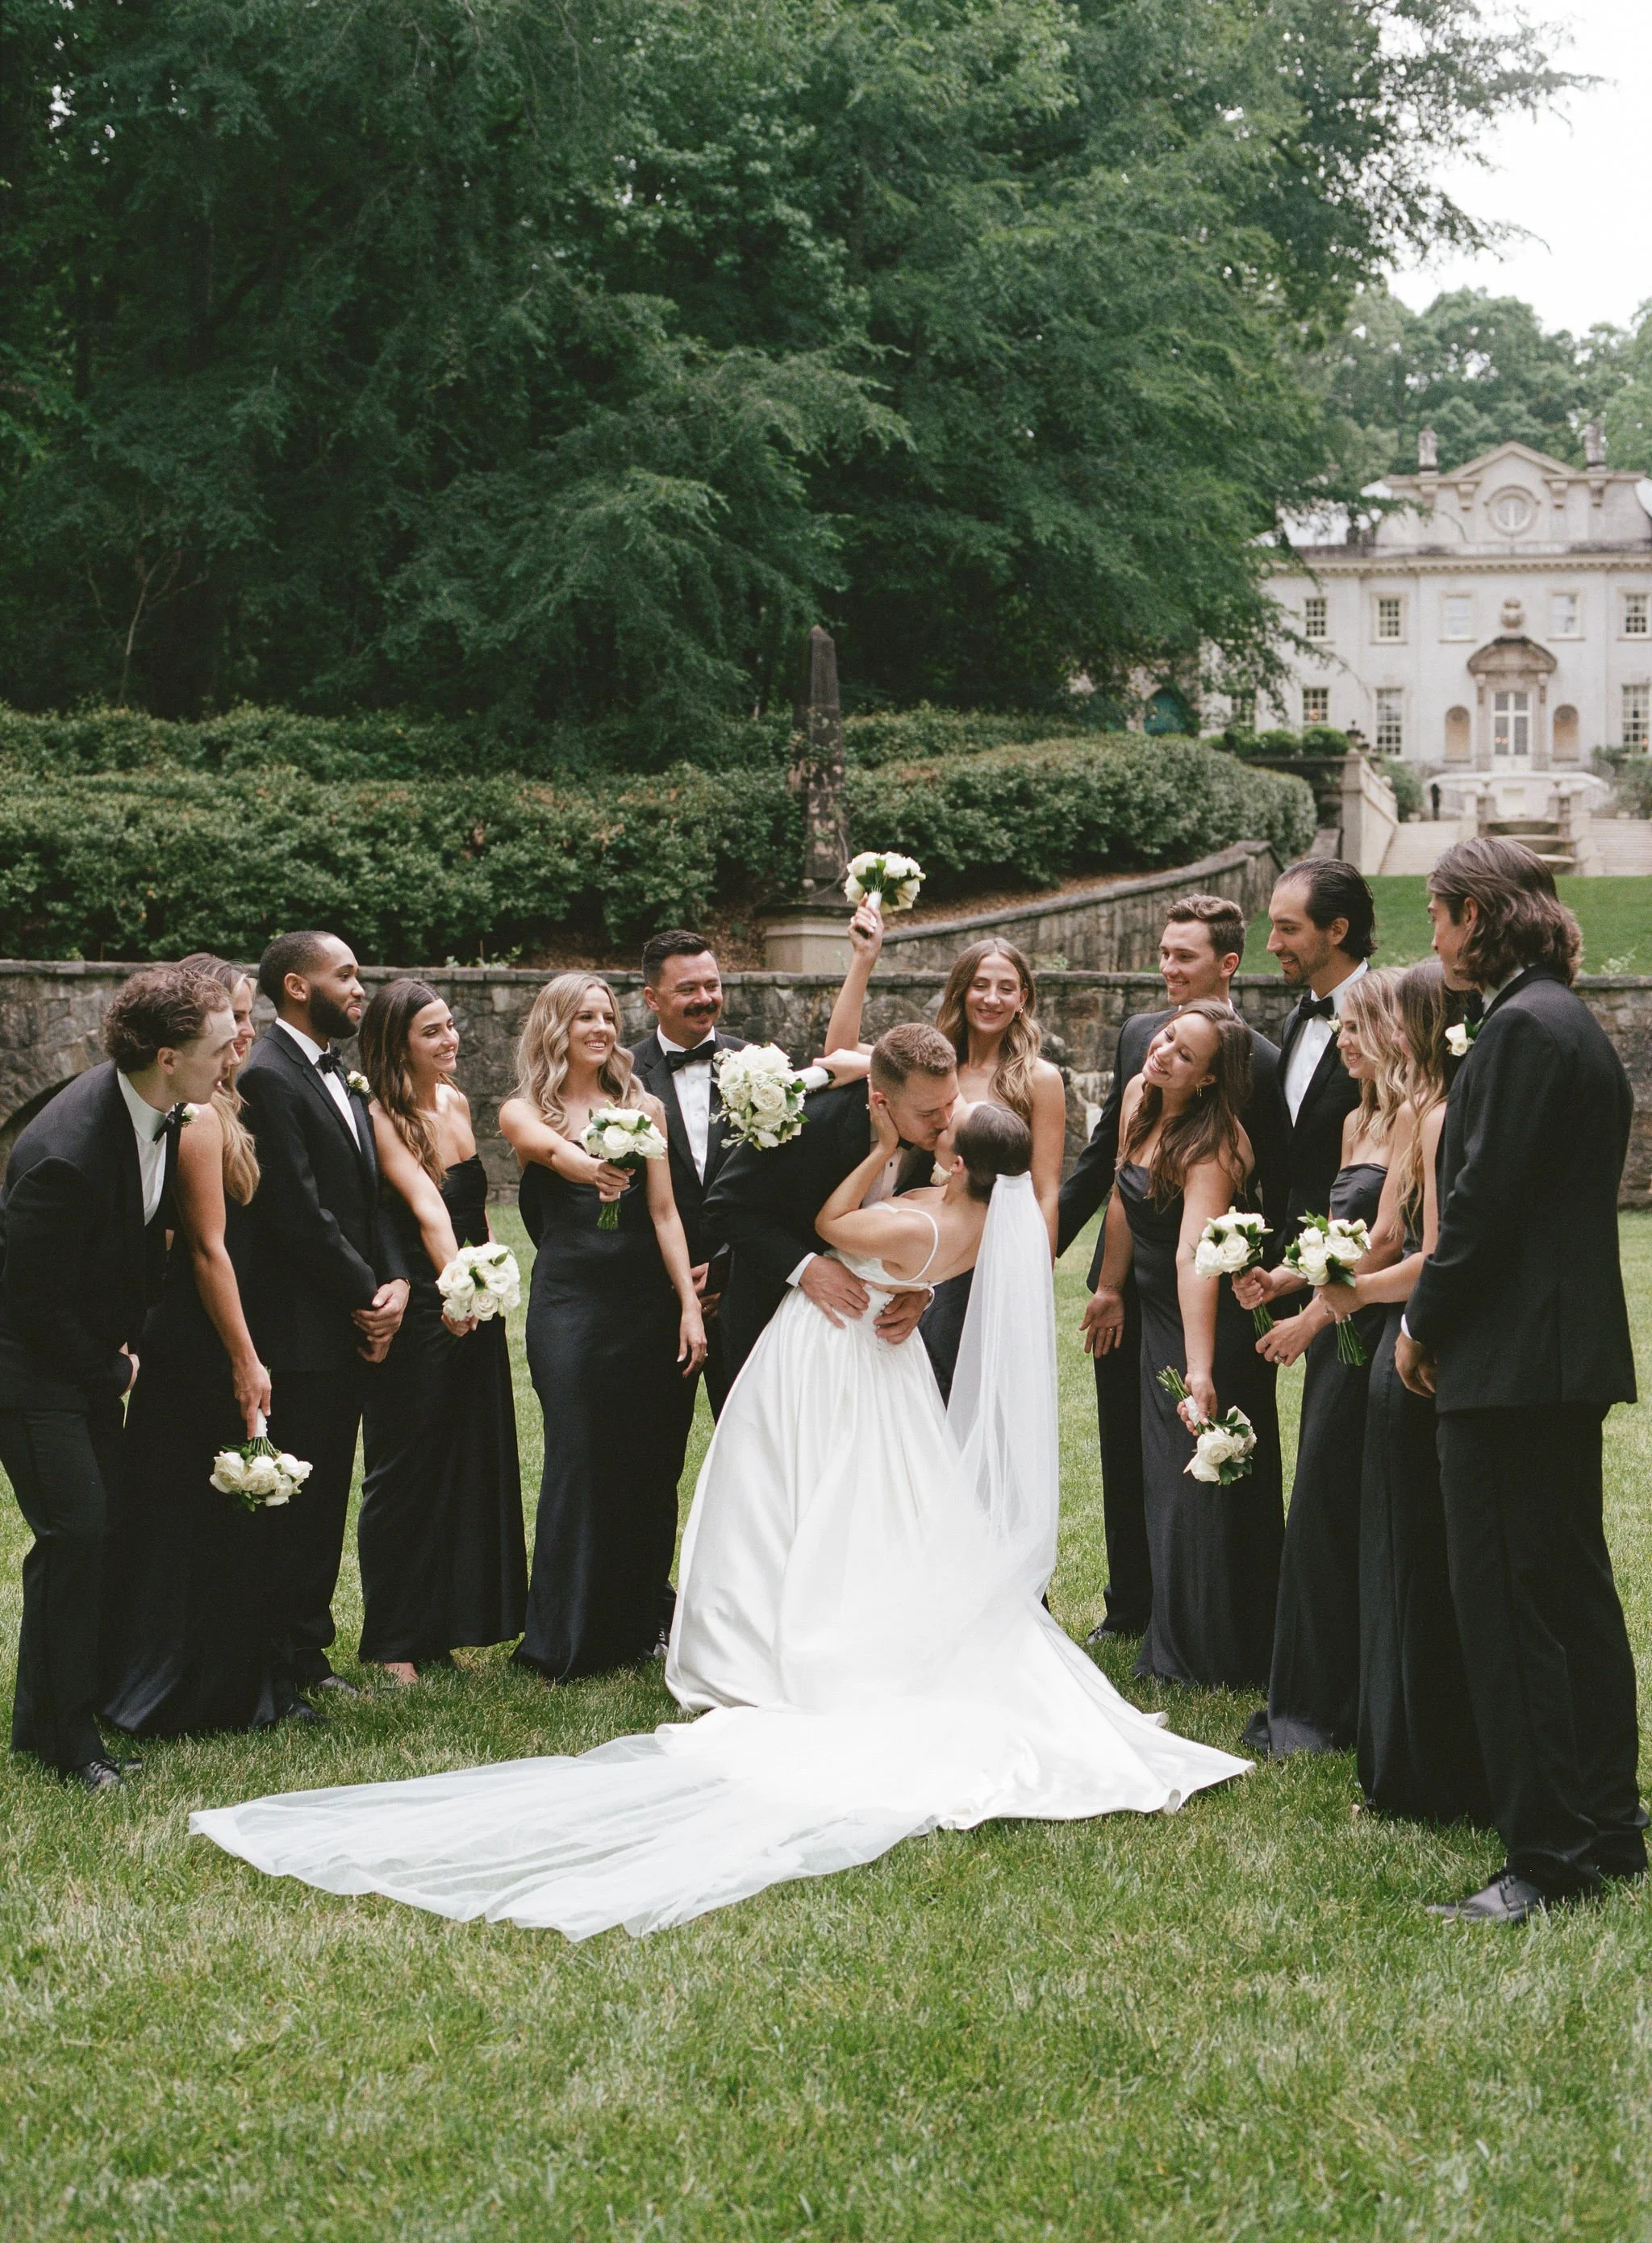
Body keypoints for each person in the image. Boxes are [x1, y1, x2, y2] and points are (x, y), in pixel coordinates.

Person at [191, 1071, 1249, 1940]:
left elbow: (831, 1223)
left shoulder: (918, 1208)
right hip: (878, 1368)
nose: (937, 1128)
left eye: (947, 1127)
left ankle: (787, 1637)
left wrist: (884, 1151)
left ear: (961, 1157)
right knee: (869, 1510)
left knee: (819, 1503)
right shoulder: (970, 1220)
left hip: (838, 1358)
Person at [1399, 838, 1643, 1923]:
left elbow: (1482, 1207)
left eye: (1437, 913)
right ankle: (1609, 1828)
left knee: (1509, 1607)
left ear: (1474, 914)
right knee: (1572, 1597)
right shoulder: (1568, 1022)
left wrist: (1421, 1323)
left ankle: (1547, 1856)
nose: (1433, 933)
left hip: (1508, 1365)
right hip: (1561, 1357)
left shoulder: (1516, 1031)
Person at [0, 966, 237, 1790]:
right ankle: (68, 1746)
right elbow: (26, 1300)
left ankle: (44, 1719)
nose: (233, 1056)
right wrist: (112, 1367)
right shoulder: (65, 1152)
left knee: (89, 1538)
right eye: (220, 1045)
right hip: (29, 1370)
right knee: (78, 1533)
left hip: (85, 1361)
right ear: (168, 1057)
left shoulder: (161, 1110)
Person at [1057, 895, 1290, 1641]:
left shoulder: (1264, 1061)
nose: (1168, 968)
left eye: (1183, 956)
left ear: (1227, 964)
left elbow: (1273, 1183)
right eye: (1163, 953)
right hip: (1131, 1282)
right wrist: (1086, 1273)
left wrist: (1271, 1278)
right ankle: (1132, 1605)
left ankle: (1227, 1615)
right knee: (1130, 1448)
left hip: (1211, 1283)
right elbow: (1109, 1165)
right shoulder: (1139, 1039)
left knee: (1207, 1448)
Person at [100, 957, 319, 1738]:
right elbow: (205, 1250)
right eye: (236, 1018)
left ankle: (222, 1675)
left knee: (219, 1523)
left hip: (218, 1330)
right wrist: (245, 1358)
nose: (247, 1033)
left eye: (250, 1016)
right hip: (197, 1343)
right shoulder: (195, 1120)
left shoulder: (223, 1104)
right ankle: (173, 1686)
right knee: (187, 1517)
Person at [501, 974, 707, 1680]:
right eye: (584, 1016)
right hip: (572, 1309)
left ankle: (636, 1623)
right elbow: (554, 1154)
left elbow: (664, 1213)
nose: (600, 1028)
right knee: (580, 1457)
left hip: (645, 1305)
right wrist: (593, 1167)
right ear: (555, 1027)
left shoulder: (644, 1107)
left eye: (608, 1016)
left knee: (645, 1465)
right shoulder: (523, 1111)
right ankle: (563, 1635)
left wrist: (687, 1305)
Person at [1321, 960, 1489, 1826]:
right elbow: (1388, 1236)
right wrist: (1324, 1283)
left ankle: (1425, 1768)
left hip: (1411, 1345)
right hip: (1400, 1345)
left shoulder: (1434, 1113)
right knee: (1401, 1552)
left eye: (1380, 1019)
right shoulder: (1420, 1110)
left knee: (1415, 1555)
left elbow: (1431, 1255)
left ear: (1410, 1025)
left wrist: (1349, 1293)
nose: (1365, 1035)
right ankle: (1405, 1761)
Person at [1086, 1001, 1283, 1690]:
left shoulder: (1214, 1145)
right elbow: (1121, 1198)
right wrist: (1109, 1288)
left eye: (1185, 1054)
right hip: (1156, 1317)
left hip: (1207, 1324)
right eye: (1168, 1037)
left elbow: (1192, 1256)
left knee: (1197, 1482)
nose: (1163, 1052)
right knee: (1164, 1477)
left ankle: (1208, 1653)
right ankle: (1182, 1631)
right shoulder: (1140, 1098)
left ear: (1207, 1080)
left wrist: (1199, 1371)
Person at [1237, 968, 1406, 1759]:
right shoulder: (1354, 1121)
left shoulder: (1414, 1117)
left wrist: (1310, 1317)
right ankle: (1317, 1691)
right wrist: (1285, 1277)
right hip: (1339, 1326)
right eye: (1340, 1030)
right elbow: (1335, 1234)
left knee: (1354, 1501)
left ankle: (1364, 1693)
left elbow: (1386, 1243)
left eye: (1357, 1029)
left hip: (1376, 1324)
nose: (1344, 1043)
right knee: (1321, 1506)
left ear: (1394, 1031)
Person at [239, 932, 412, 1701]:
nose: (359, 987)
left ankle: (308, 1653)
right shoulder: (267, 1075)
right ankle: (279, 1660)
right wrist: (365, 1296)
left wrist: (394, 1281)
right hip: (299, 1332)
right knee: (294, 1508)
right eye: (344, 975)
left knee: (327, 1497)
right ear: (296, 986)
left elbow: (370, 1197)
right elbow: (299, 1215)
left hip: (343, 1325)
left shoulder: (339, 1073)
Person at [356, 979, 527, 1685]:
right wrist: (459, 1288)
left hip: (471, 1299)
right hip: (422, 1306)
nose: (450, 1039)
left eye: (450, 1025)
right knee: (408, 1470)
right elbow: (428, 1209)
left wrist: (489, 1283)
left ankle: (443, 1628)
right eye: (431, 1031)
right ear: (397, 1044)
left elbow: (472, 1208)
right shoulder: (381, 1115)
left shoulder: (454, 1101)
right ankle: (392, 1640)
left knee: (465, 1464)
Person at [824, 916, 1066, 1401]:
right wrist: (864, 960)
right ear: (960, 991)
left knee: (969, 1390)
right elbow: (839, 1053)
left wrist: (1031, 1275)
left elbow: (1045, 1188)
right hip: (921, 1249)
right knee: (915, 1387)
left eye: (1006, 988)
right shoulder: (933, 1066)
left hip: (984, 1254)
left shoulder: (1039, 1079)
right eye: (980, 985)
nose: (991, 998)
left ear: (1023, 998)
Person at [702, 1022, 957, 1390]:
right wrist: (806, 1268)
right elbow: (726, 1205)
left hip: (872, 1338)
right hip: (773, 1316)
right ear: (882, 1102)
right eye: (929, 1112)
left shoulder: (943, 1134)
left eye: (951, 1103)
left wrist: (920, 1292)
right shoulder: (812, 1119)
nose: (945, 1121)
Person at [628, 929, 747, 1421]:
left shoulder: (759, 1066)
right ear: (652, 998)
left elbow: (782, 1188)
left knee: (750, 1441)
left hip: (743, 1290)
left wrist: (725, 1267)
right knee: (650, 1448)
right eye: (687, 989)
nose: (705, 999)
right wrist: (679, 1286)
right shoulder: (620, 1075)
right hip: (651, 1297)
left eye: (712, 985)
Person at [1262, 858, 1375, 1234]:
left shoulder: (1391, 1024)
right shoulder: (1294, 1022)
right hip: (1282, 1249)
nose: (1272, 944)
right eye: (1273, 927)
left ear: (1337, 930)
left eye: (1288, 929)